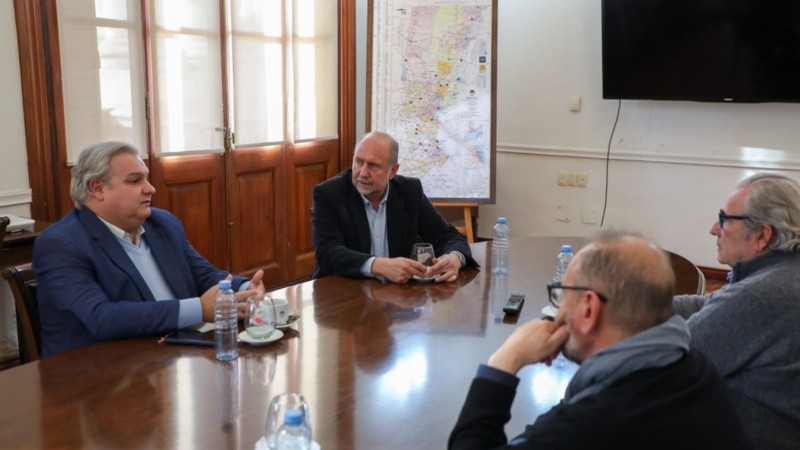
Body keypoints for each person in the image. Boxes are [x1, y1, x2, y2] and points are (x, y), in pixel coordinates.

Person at [449, 230, 753, 450]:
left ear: (590, 308)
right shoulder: (696, 368)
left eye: (564, 296)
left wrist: (503, 363)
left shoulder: (593, 425)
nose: (560, 309)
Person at [33, 142, 264, 357]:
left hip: (174, 354)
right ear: (97, 189)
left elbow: (203, 275)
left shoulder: (162, 224)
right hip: (99, 374)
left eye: (147, 179)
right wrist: (199, 309)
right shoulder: (60, 244)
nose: (150, 188)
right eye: (135, 181)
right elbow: (100, 318)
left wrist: (245, 289)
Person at [673, 173, 800, 449]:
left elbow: (671, 359)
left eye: (724, 219)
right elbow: (711, 305)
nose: (714, 229)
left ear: (762, 235)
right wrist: (636, 303)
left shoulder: (761, 295)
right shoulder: (785, 273)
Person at [311, 131, 477, 283]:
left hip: (396, 298)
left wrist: (455, 258)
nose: (363, 172)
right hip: (342, 294)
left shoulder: (410, 191)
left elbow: (447, 235)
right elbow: (328, 253)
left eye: (373, 165)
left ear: (393, 171)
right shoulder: (329, 194)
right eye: (359, 162)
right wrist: (378, 265)